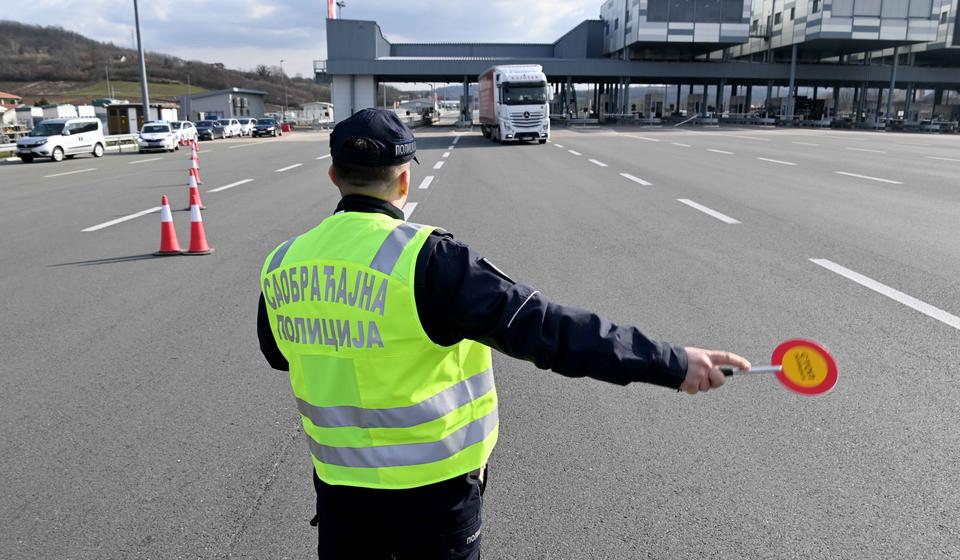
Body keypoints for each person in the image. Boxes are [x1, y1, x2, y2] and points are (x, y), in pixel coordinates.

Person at [257, 108, 751, 559]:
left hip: (341, 496)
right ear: (403, 181)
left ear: (333, 176)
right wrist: (672, 363)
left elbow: (279, 355)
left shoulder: (283, 262)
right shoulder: (430, 261)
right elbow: (548, 330)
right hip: (436, 498)